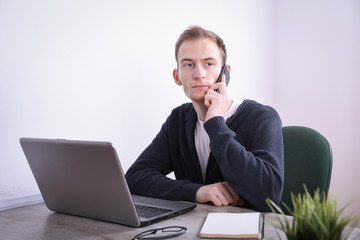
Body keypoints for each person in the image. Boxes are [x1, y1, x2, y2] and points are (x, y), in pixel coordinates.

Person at [125, 26, 284, 212]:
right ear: (177, 77)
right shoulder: (178, 120)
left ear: (225, 73)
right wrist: (196, 192)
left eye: (209, 64)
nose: (199, 74)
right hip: (193, 228)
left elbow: (269, 195)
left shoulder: (262, 118)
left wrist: (216, 124)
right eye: (188, 64)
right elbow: (135, 177)